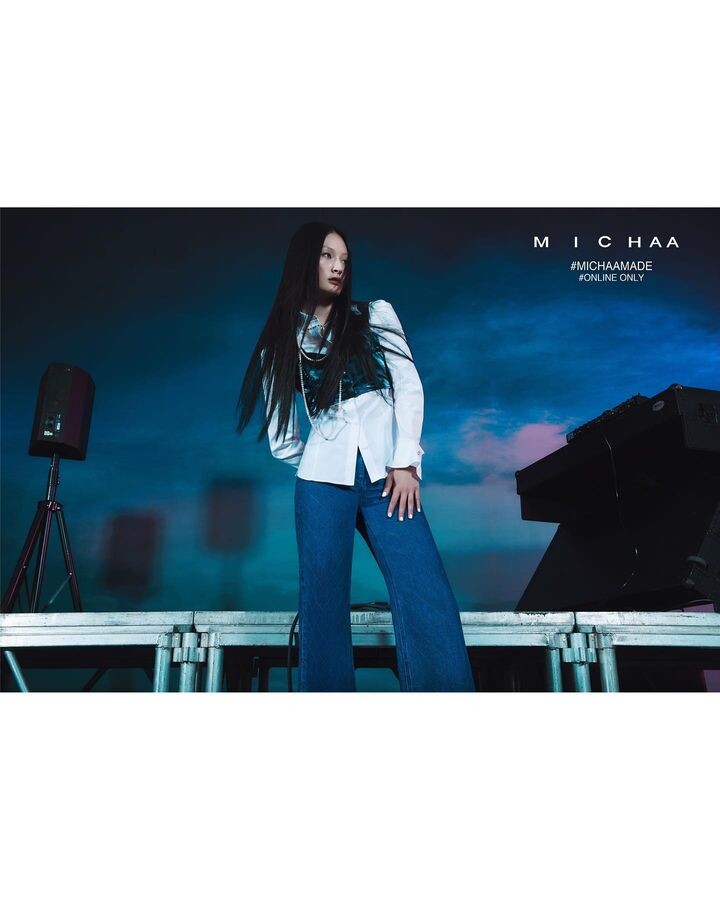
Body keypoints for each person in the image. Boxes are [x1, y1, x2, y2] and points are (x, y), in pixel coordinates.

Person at [236, 221, 475, 692]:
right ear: (304, 261)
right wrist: (321, 462)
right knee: (322, 606)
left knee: (425, 592)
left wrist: (406, 461)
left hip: (390, 476)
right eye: (327, 255)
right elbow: (283, 439)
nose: (338, 266)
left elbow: (409, 387)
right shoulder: (280, 346)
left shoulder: (375, 315)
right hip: (322, 484)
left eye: (344, 259)